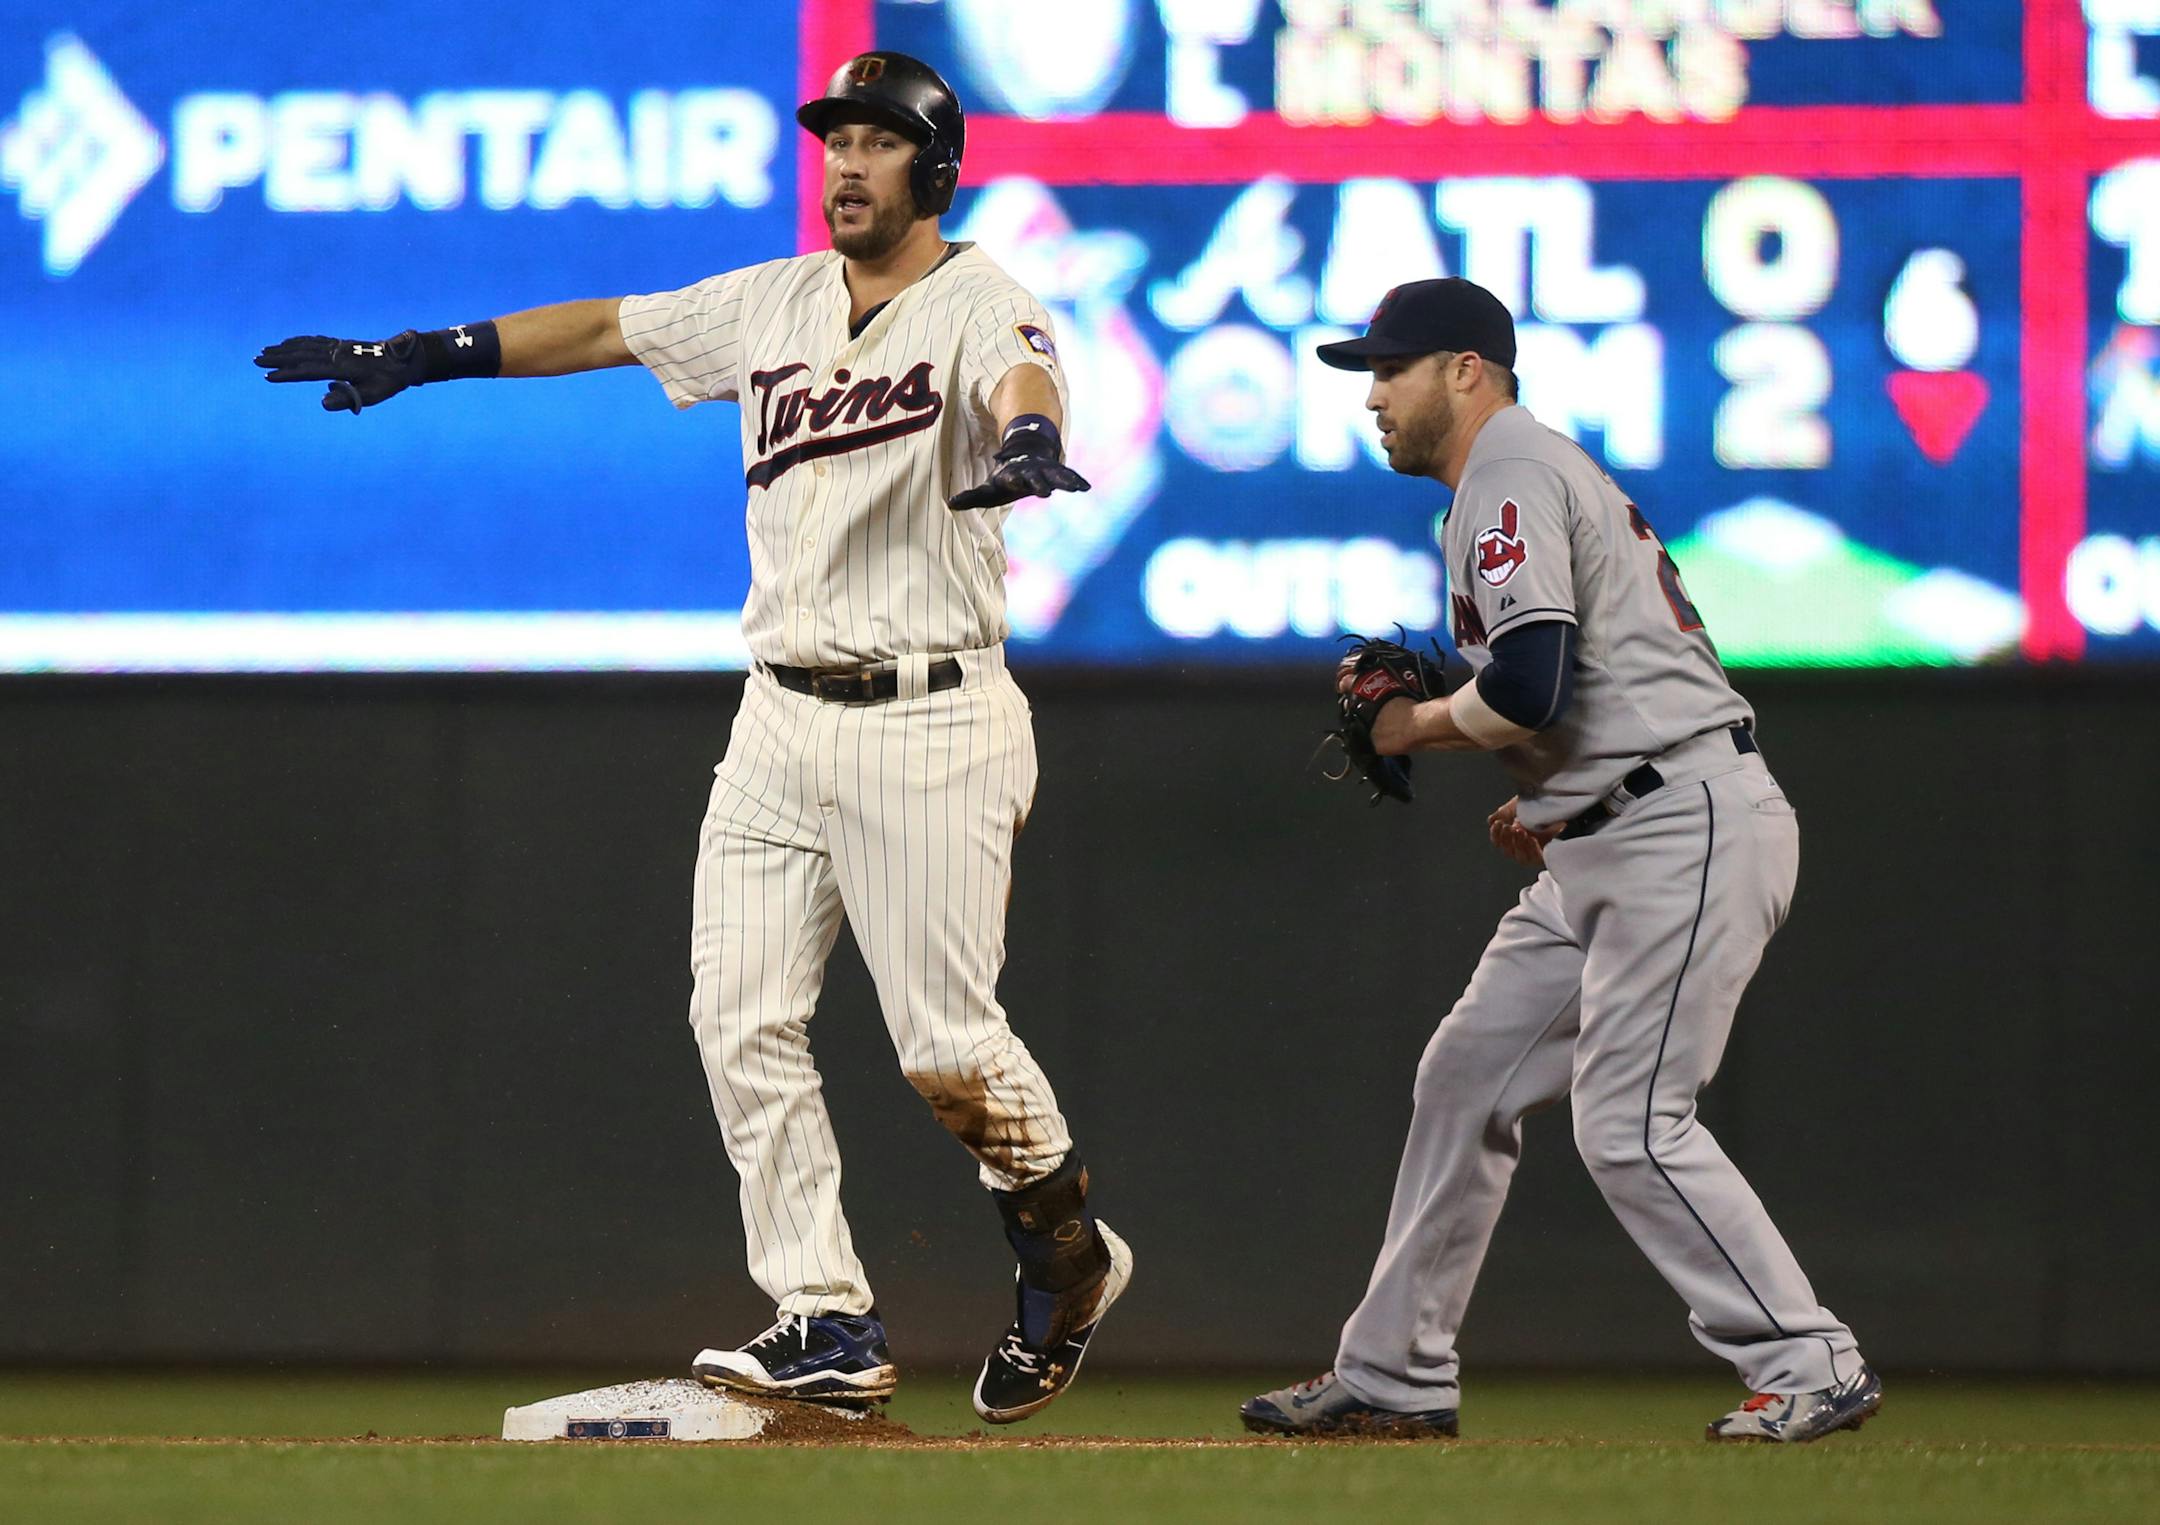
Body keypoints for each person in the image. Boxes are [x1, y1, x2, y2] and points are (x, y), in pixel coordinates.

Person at [254, 51, 1130, 1427]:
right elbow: (609, 326)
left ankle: (1066, 1252)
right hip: (778, 713)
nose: (847, 162)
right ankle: (827, 1316)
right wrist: (430, 353)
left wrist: (1026, 447)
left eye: (880, 143)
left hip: (932, 715)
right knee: (740, 1016)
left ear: (935, 170)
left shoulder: (984, 301)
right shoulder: (773, 299)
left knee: (946, 1048)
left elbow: (1028, 389)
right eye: (836, 138)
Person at [1240, 278, 1878, 1444]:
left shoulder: (1511, 473)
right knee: (1465, 1077)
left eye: (1392, 369)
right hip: (1615, 825)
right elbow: (1568, 692)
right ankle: (1395, 1370)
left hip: (1679, 820)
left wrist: (1415, 724)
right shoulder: (1512, 480)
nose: (1374, 398)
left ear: (1467, 371)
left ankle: (1809, 1356)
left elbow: (1532, 681)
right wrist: (1553, 793)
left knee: (1632, 1119)